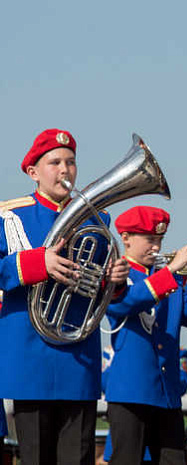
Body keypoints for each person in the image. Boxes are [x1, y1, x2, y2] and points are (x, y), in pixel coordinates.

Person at [0, 128, 129, 464]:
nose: (65, 170)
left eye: (70, 162)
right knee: (36, 456)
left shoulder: (97, 218)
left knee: (79, 456)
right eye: (54, 162)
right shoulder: (11, 216)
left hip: (79, 358)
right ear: (33, 172)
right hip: (30, 359)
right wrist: (36, 263)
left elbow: (99, 288)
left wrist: (112, 282)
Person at [104, 206, 187, 465]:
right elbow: (124, 304)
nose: (156, 247)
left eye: (160, 240)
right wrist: (171, 271)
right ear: (126, 238)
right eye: (150, 239)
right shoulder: (118, 273)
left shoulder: (167, 277)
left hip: (167, 392)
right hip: (131, 392)